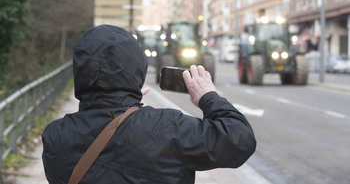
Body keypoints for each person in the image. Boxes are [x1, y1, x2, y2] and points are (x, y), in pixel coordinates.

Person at [42, 24, 256, 184]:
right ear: (136, 68)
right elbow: (240, 141)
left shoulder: (54, 137)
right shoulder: (169, 128)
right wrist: (208, 96)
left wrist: (127, 111)